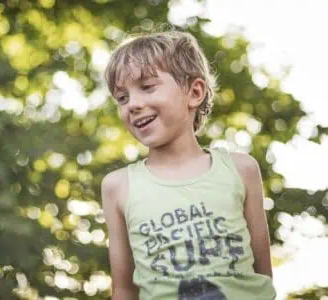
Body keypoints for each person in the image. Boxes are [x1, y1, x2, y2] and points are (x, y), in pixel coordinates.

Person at [101, 30, 277, 300]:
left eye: (147, 87)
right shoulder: (118, 186)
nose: (133, 104)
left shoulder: (241, 170)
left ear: (194, 92)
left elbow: (262, 276)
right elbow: (124, 290)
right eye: (122, 98)